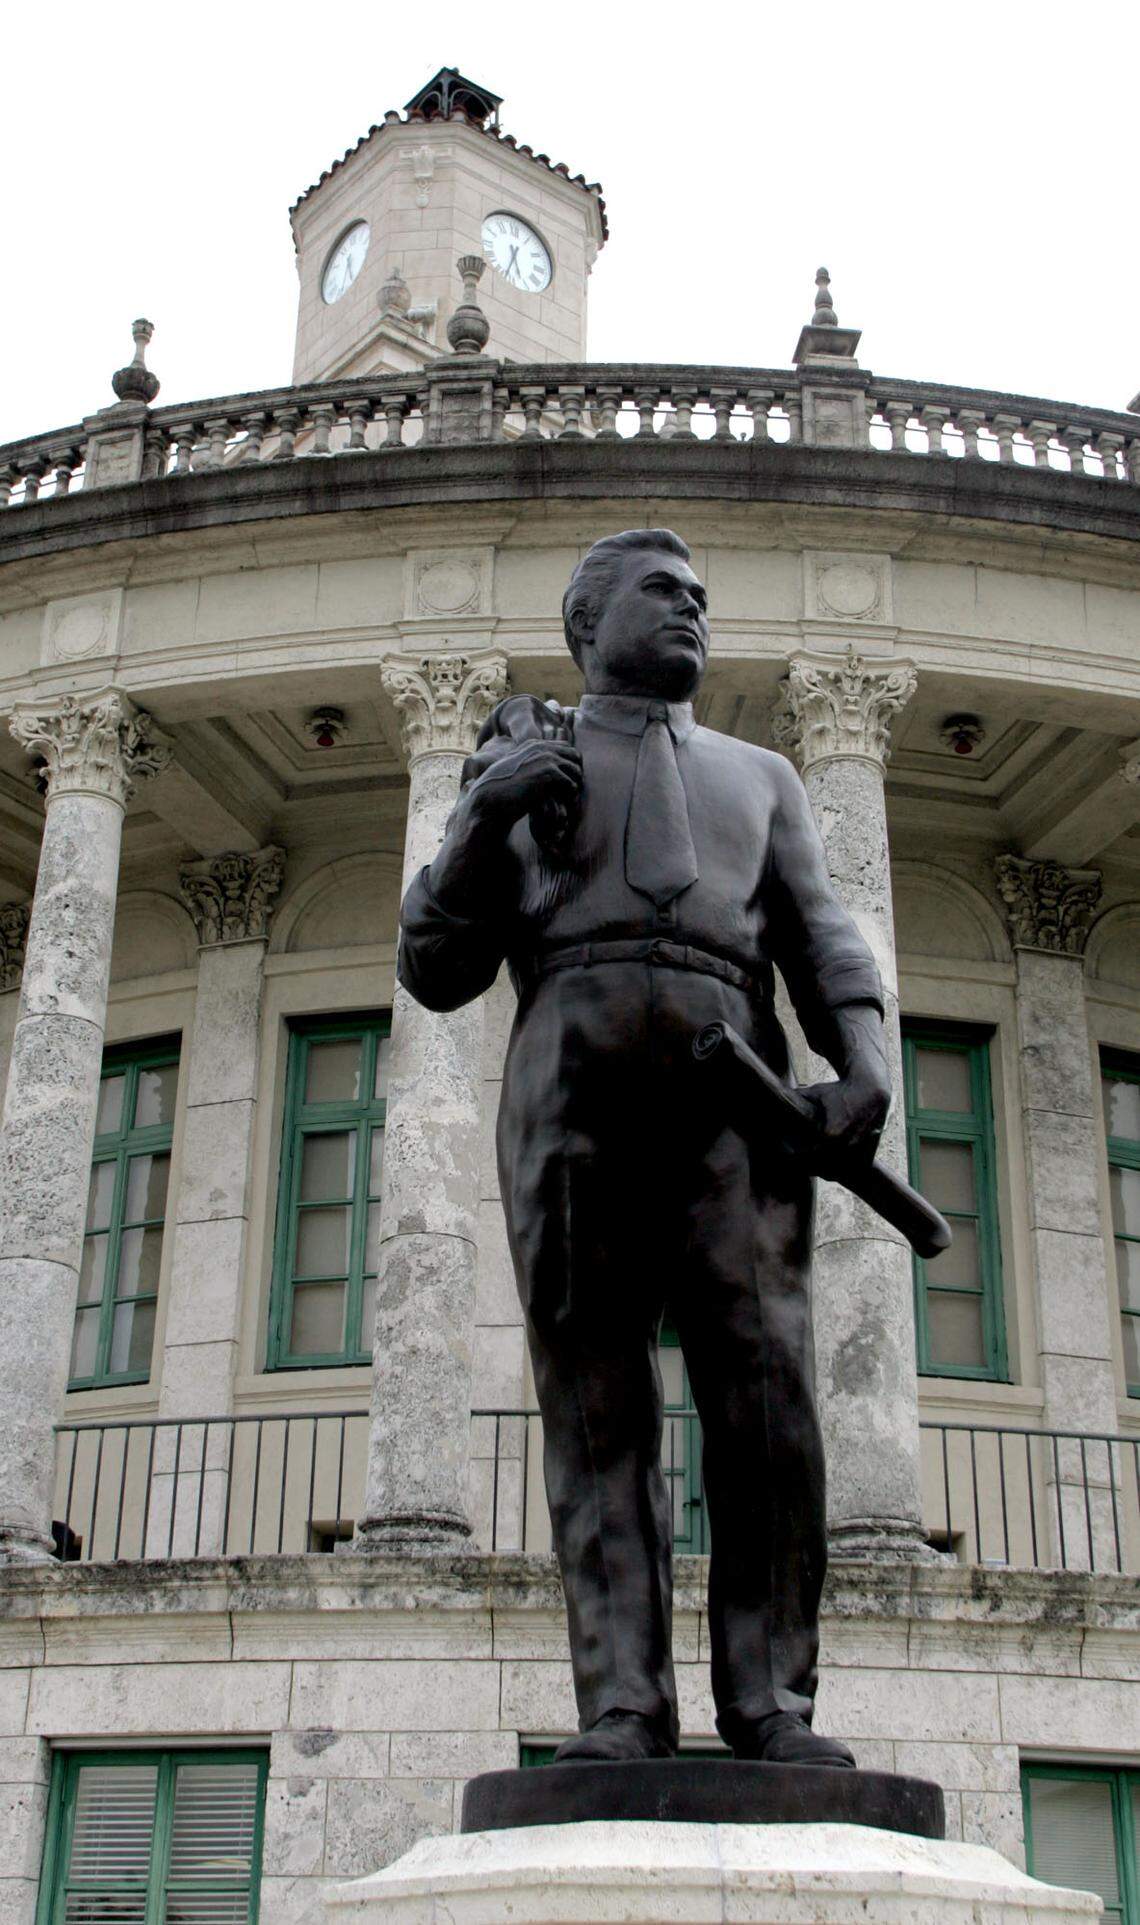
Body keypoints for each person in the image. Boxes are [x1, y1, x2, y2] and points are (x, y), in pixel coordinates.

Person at [398, 529, 890, 1767]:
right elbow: (437, 963)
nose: (693, 611)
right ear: (587, 619)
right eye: (662, 592)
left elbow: (821, 932)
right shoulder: (523, 761)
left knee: (769, 1393)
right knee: (598, 1401)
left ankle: (772, 1697)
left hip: (740, 1097)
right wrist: (483, 815)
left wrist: (866, 1060)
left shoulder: (762, 774)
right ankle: (622, 1698)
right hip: (574, 1091)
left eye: (703, 597)